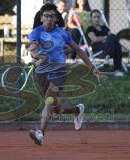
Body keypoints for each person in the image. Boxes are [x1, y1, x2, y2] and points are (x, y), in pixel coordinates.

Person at [28, 4, 107, 146]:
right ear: (41, 18)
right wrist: (37, 55)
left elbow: (79, 51)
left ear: (56, 18)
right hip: (41, 72)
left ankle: (40, 133)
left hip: (58, 71)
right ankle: (77, 110)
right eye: (46, 16)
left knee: (49, 101)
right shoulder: (36, 32)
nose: (49, 19)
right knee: (55, 107)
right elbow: (32, 49)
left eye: (52, 16)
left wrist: (92, 68)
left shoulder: (63, 33)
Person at [86, 9, 124, 77]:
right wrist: (106, 38)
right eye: (94, 17)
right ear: (91, 18)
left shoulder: (105, 27)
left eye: (98, 17)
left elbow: (111, 37)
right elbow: (94, 39)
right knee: (115, 42)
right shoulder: (90, 28)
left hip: (107, 48)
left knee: (114, 40)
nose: (97, 19)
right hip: (98, 49)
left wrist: (103, 38)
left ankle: (108, 57)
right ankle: (117, 70)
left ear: (100, 18)